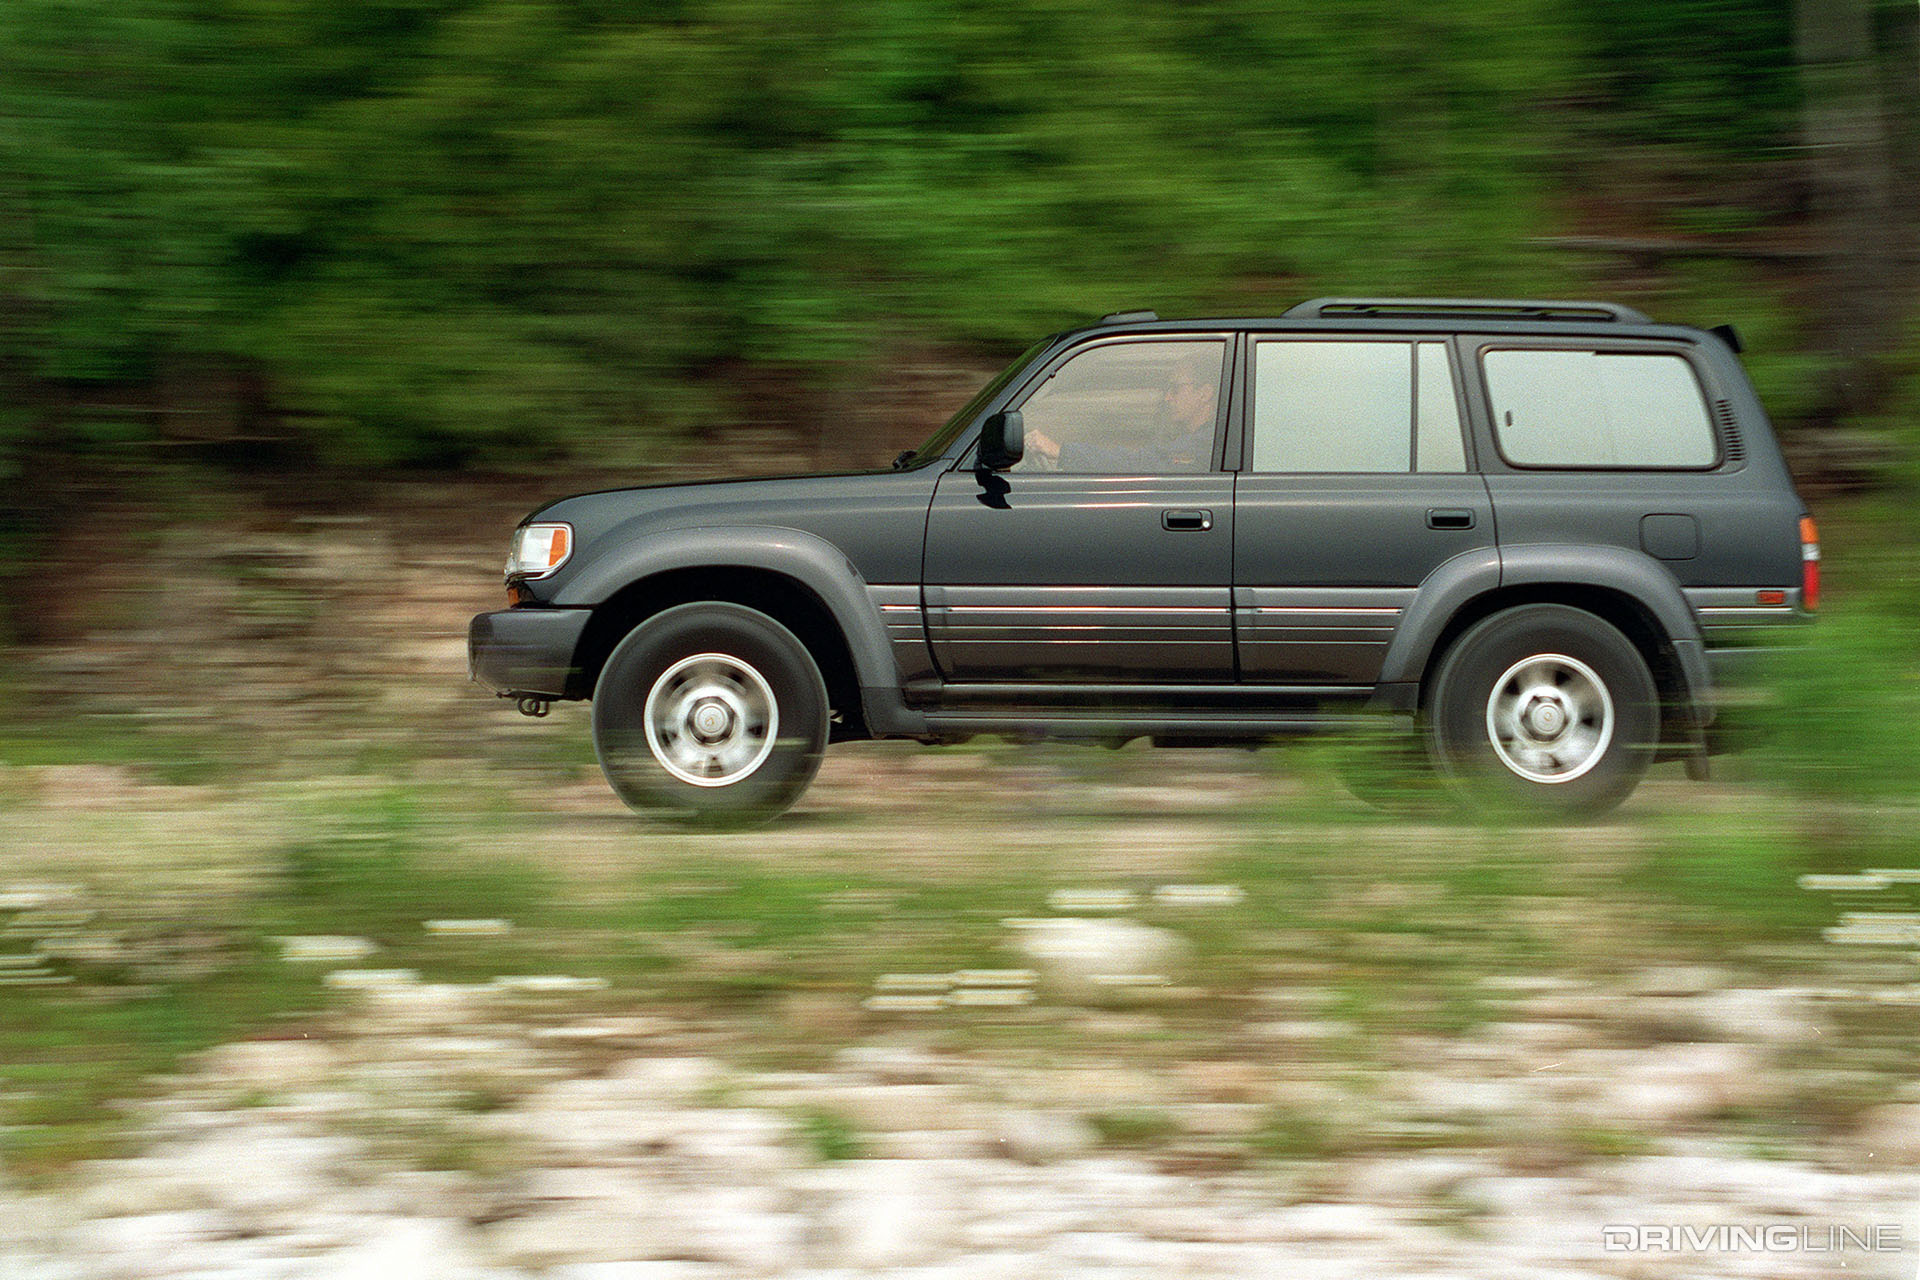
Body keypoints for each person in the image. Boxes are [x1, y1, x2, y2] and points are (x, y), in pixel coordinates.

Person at [1023, 352, 1218, 472]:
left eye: (1175, 388)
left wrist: (1059, 451)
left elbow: (1139, 463)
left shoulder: (1205, 445)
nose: (1168, 397)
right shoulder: (1193, 438)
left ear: (1204, 393)